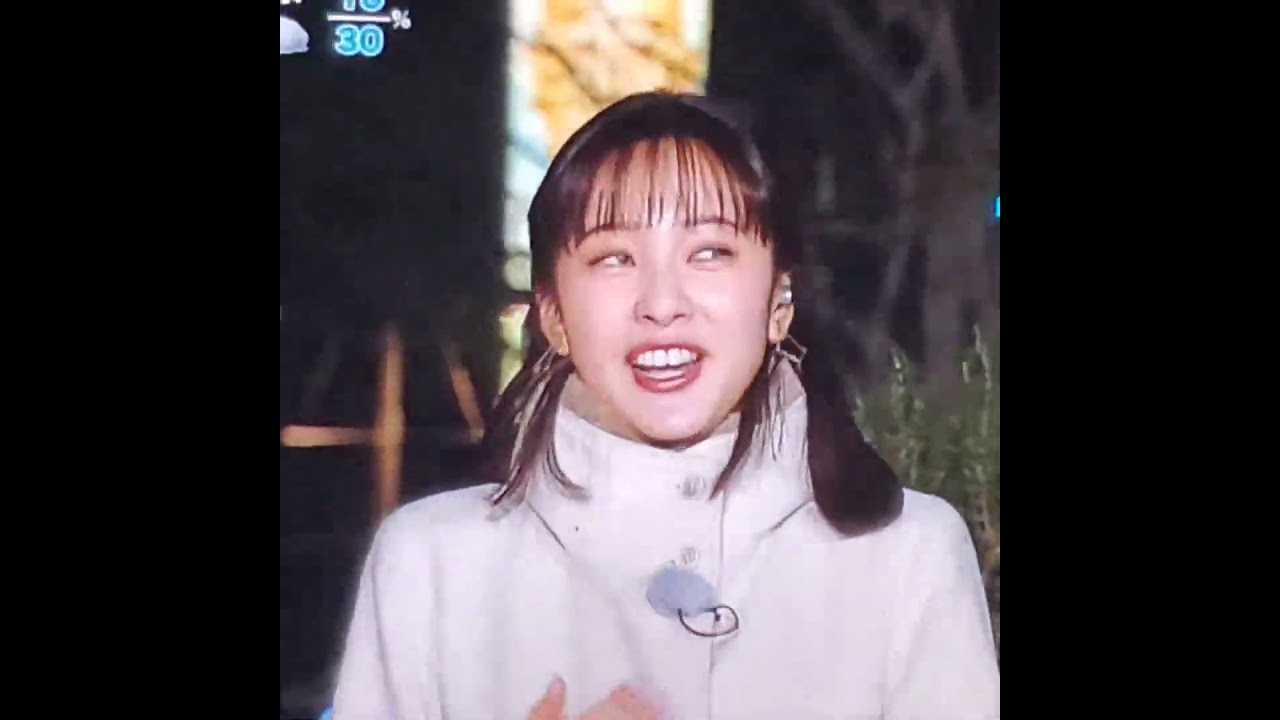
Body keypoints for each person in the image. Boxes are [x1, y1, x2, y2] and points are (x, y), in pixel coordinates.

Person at [330, 90, 1000, 719]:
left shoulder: (908, 555)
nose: (661, 303)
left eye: (709, 252)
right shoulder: (430, 563)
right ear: (554, 315)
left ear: (779, 301)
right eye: (614, 258)